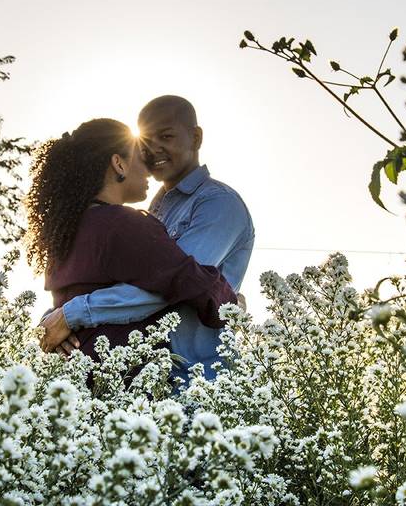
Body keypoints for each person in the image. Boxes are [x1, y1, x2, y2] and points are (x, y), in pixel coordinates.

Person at [39, 96, 254, 382]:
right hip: (142, 379)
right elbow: (184, 281)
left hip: (198, 380)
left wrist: (69, 315)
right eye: (145, 142)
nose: (154, 149)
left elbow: (178, 285)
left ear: (196, 137)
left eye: (166, 136)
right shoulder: (139, 215)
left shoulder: (218, 203)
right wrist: (56, 317)